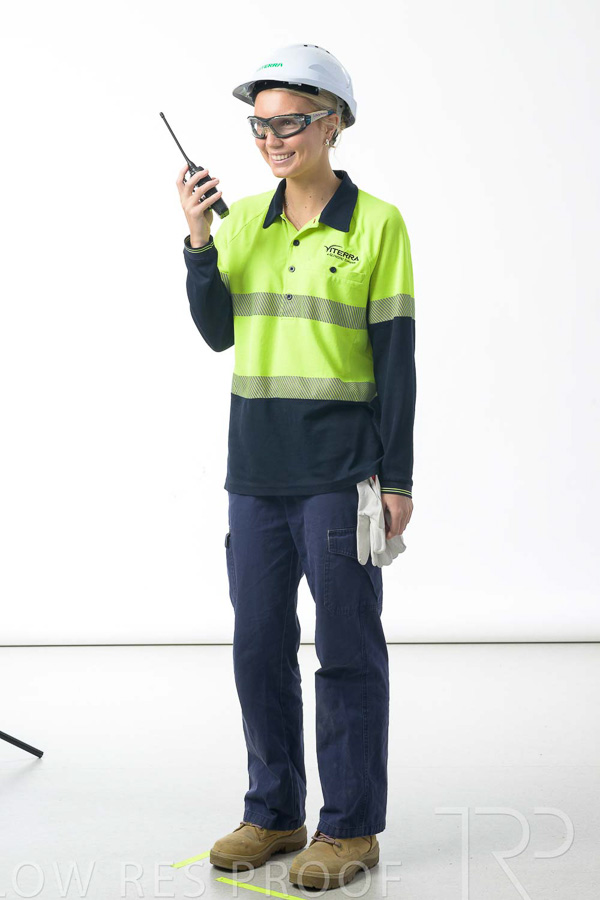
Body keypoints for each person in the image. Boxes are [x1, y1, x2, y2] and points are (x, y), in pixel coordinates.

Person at [176, 43, 416, 890]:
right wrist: (199, 238)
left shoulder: (378, 224)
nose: (273, 139)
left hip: (340, 474)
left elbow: (397, 361)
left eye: (291, 123)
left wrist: (397, 480)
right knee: (258, 647)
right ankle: (274, 811)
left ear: (334, 122)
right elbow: (218, 332)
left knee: (346, 651)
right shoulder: (242, 219)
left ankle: (349, 829)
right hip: (256, 474)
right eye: (260, 126)